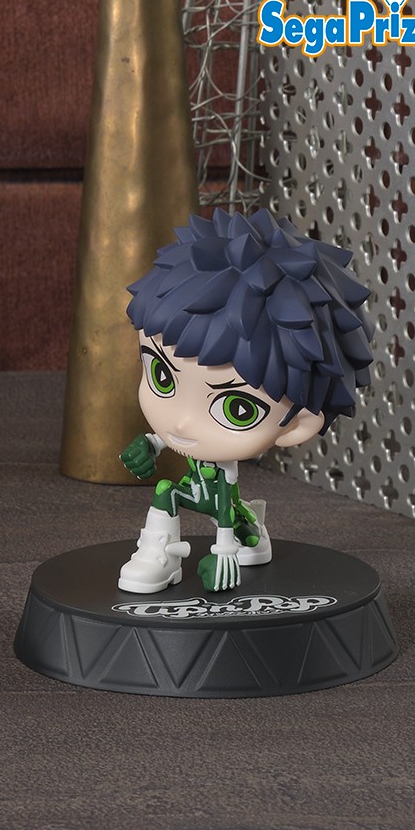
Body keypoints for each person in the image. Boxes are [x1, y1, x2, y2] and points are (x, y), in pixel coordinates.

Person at [118, 208, 374, 593]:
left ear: (298, 425)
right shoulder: (180, 432)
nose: (181, 422)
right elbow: (168, 437)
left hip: (222, 498)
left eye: (238, 409)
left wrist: (223, 552)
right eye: (161, 376)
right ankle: (160, 553)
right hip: (193, 484)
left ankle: (252, 534)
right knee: (165, 491)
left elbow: (222, 511)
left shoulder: (229, 474)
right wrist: (150, 445)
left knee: (238, 523)